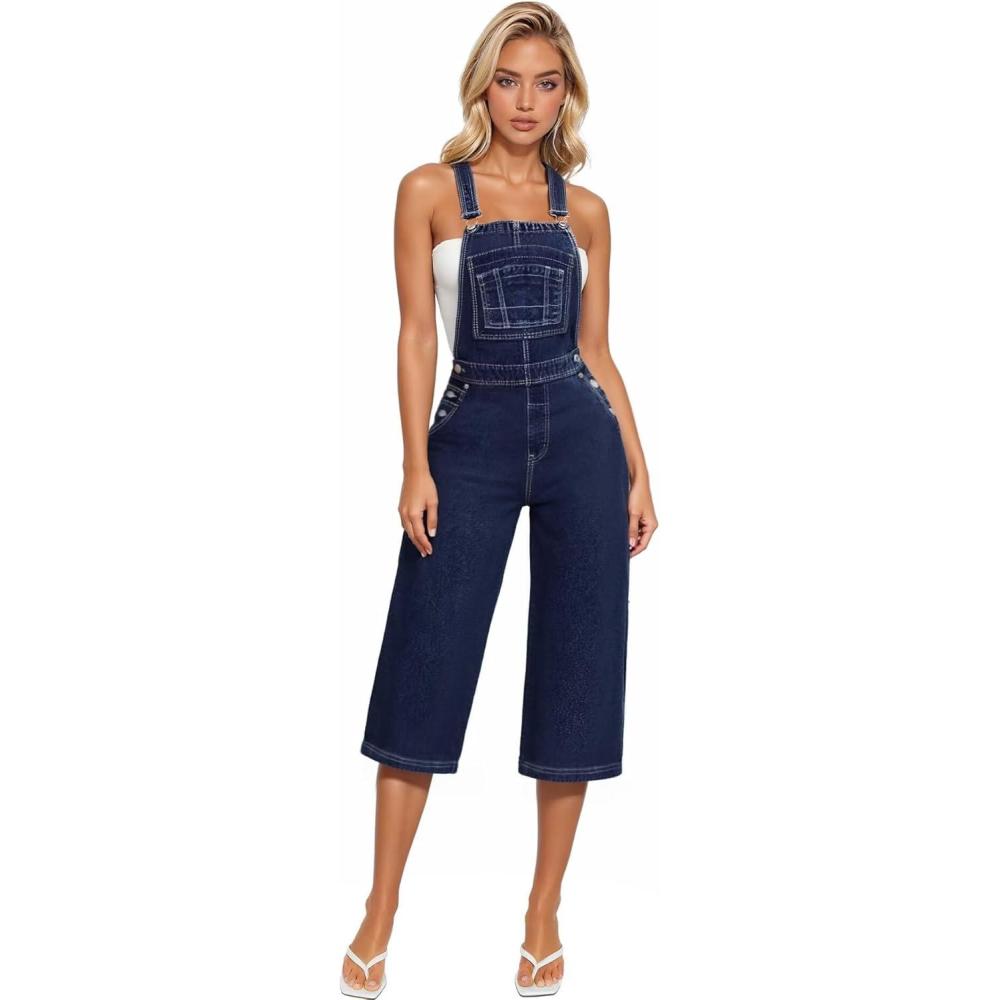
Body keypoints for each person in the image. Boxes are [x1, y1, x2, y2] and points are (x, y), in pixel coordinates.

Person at [341, 4, 658, 997]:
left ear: (568, 95)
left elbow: (596, 351)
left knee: (579, 667)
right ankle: (380, 908)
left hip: (580, 443)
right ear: (483, 85)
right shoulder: (428, 190)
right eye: (510, 79)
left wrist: (640, 467)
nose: (526, 101)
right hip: (467, 439)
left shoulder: (586, 211)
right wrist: (414, 464)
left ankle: (542, 913)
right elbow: (413, 336)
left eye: (546, 83)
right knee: (424, 662)